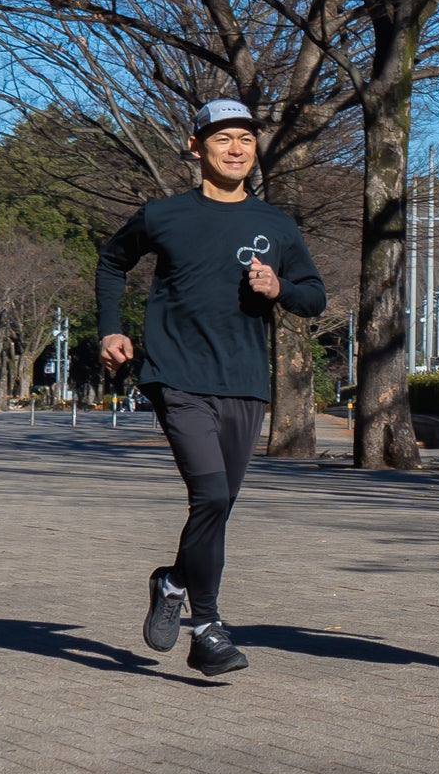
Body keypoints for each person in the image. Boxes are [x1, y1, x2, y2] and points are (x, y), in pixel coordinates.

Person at [96, 98, 326, 678]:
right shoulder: (163, 214)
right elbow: (110, 262)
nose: (235, 149)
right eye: (222, 139)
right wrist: (111, 329)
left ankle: (172, 581)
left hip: (245, 383)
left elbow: (313, 296)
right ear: (196, 148)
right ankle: (209, 629)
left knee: (216, 509)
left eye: (245, 140)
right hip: (176, 376)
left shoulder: (276, 225)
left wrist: (279, 288)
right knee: (212, 498)